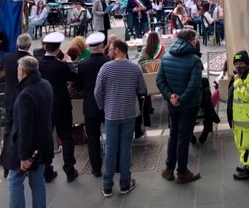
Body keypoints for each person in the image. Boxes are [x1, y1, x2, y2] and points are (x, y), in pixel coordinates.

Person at [1, 56, 54, 208]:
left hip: (29, 147)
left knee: (14, 180)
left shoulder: (26, 94)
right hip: (44, 142)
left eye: (18, 69)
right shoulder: (45, 84)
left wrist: (24, 156)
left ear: (23, 71)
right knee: (37, 182)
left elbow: (25, 127)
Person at [95, 39, 145, 197]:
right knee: (125, 148)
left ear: (117, 50)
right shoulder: (134, 67)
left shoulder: (105, 68)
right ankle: (125, 183)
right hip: (129, 113)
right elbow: (142, 89)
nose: (108, 51)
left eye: (110, 49)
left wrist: (103, 107)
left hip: (111, 114)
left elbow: (97, 92)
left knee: (110, 149)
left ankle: (107, 186)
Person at [155, 29, 202, 184]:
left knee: (173, 135)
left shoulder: (166, 56)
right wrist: (181, 99)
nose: (196, 42)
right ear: (190, 40)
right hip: (188, 105)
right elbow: (194, 85)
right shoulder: (194, 60)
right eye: (195, 39)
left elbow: (160, 80)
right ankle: (182, 171)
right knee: (184, 137)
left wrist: (170, 97)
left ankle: (169, 168)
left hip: (172, 104)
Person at [37, 32, 78, 182]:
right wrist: (69, 62)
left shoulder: (38, 64)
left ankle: (46, 169)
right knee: (67, 136)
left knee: (46, 137)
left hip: (44, 105)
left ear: (44, 47)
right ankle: (69, 169)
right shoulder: (61, 66)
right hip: (61, 104)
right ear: (58, 48)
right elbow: (73, 77)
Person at [0, 33, 32, 178]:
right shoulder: (30, 60)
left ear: (17, 44)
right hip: (26, 101)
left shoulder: (7, 57)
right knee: (25, 130)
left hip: (10, 100)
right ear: (29, 45)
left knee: (8, 132)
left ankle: (7, 164)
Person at [76, 33, 110, 178]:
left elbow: (79, 86)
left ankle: (96, 168)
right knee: (112, 135)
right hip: (108, 103)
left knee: (92, 138)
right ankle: (114, 164)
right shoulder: (108, 61)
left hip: (90, 104)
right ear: (102, 46)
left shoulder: (83, 64)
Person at [227, 51, 249, 181]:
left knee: (246, 144)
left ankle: (247, 169)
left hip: (248, 118)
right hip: (241, 117)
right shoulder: (241, 75)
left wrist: (237, 83)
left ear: (247, 63)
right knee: (243, 142)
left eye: (241, 63)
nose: (238, 66)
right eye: (236, 63)